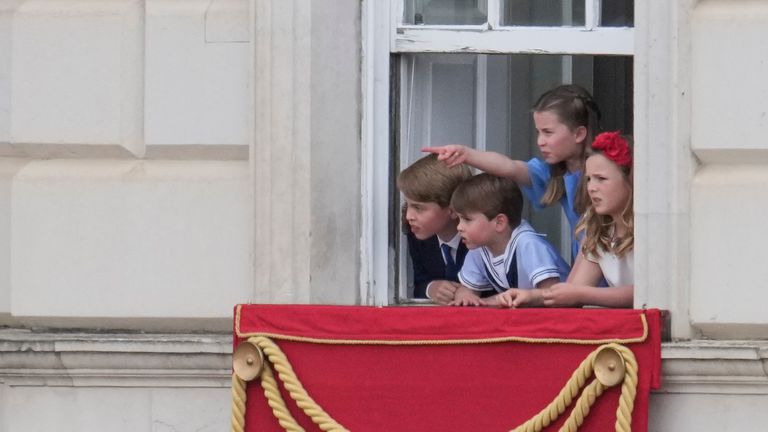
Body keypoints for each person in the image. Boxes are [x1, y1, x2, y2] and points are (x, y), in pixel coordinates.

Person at [423, 84, 601, 262]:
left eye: (548, 132)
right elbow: (510, 167)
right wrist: (466, 154)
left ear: (579, 134)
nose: (540, 141)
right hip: (586, 270)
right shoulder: (554, 171)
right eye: (538, 132)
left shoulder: (606, 173)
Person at [536, 131, 634, 308]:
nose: (591, 188)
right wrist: (528, 297)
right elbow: (576, 288)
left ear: (631, 180)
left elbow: (644, 292)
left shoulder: (650, 226)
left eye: (601, 179)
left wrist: (581, 294)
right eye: (588, 179)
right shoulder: (598, 225)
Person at [448, 173, 570, 307]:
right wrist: (465, 297)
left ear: (499, 222)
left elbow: (551, 293)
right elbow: (467, 289)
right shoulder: (478, 248)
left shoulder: (528, 244)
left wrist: (492, 301)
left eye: (467, 219)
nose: (459, 227)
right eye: (459, 219)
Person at [397, 154, 473, 302]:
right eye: (408, 205)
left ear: (452, 210)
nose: (409, 216)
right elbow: (419, 282)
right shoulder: (417, 234)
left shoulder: (480, 240)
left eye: (418, 208)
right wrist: (431, 288)